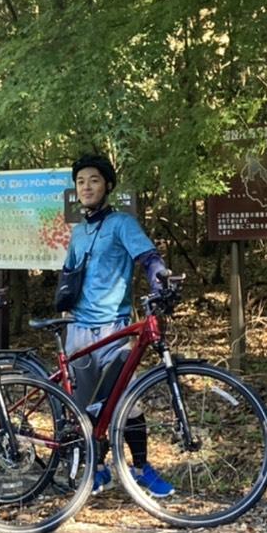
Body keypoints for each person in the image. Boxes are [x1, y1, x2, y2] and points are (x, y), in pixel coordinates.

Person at [60, 152, 174, 497]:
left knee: (129, 402)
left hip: (114, 328)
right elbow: (67, 276)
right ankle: (95, 469)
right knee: (83, 407)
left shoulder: (123, 224)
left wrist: (161, 282)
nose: (86, 187)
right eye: (81, 182)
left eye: (93, 180)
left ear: (107, 185)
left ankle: (141, 467)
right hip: (77, 330)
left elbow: (148, 258)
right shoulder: (79, 232)